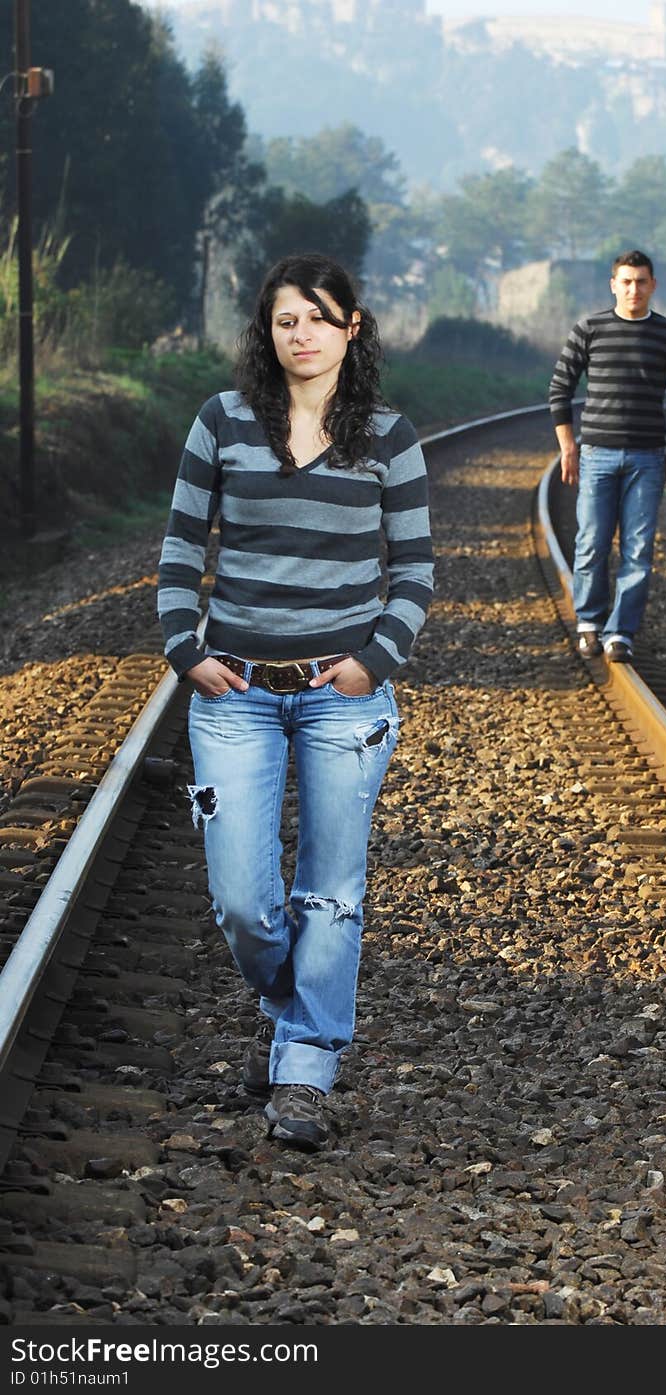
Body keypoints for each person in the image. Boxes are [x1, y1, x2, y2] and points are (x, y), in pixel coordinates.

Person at [157, 253, 433, 1152]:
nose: (301, 335)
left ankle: (307, 1067)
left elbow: (416, 573)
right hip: (232, 691)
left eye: (319, 318)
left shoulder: (388, 437)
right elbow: (178, 550)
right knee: (243, 900)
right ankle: (294, 1012)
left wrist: (371, 661)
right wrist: (183, 651)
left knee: (331, 893)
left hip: (341, 702)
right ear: (266, 332)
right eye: (285, 321)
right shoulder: (222, 423)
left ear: (352, 329)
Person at [548, 249, 666, 663]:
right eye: (626, 281)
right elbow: (560, 389)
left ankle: (621, 633)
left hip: (648, 460)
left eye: (641, 281)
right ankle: (589, 623)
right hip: (596, 455)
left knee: (638, 550)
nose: (634, 289)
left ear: (653, 286)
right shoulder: (589, 329)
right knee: (592, 543)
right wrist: (568, 448)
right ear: (614, 284)